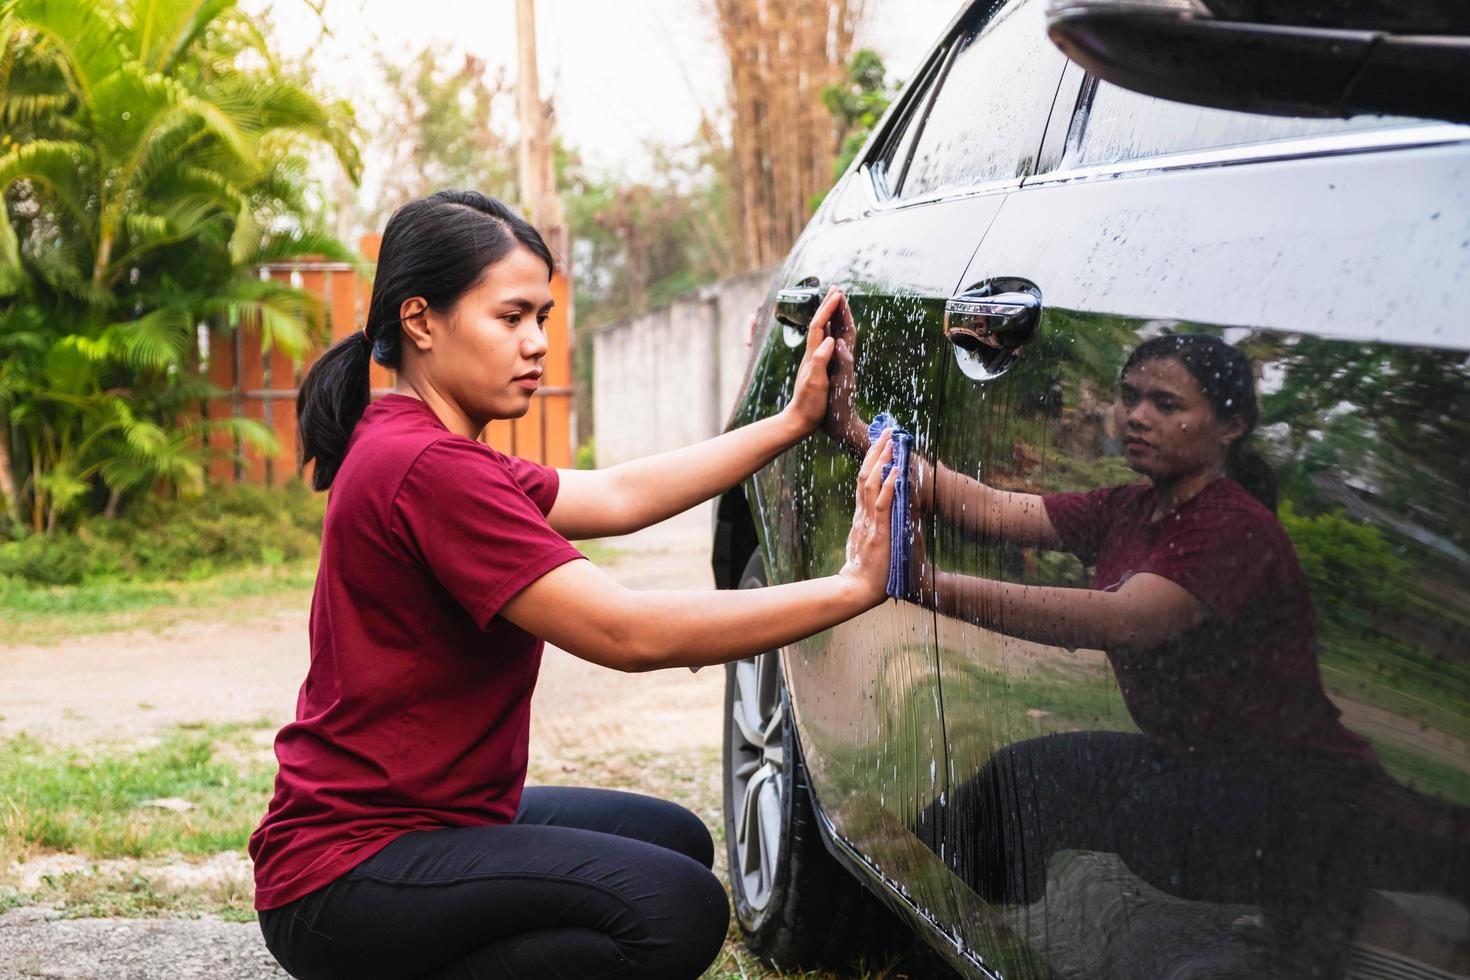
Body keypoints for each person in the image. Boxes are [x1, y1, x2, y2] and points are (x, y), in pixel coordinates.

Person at [249, 190, 898, 980]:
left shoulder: (419, 440)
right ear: (420, 321)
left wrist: (792, 420)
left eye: (543, 319)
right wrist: (850, 589)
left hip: (412, 830)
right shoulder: (431, 468)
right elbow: (626, 633)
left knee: (672, 841)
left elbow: (619, 495)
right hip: (349, 873)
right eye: (510, 317)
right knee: (674, 907)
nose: (536, 345)